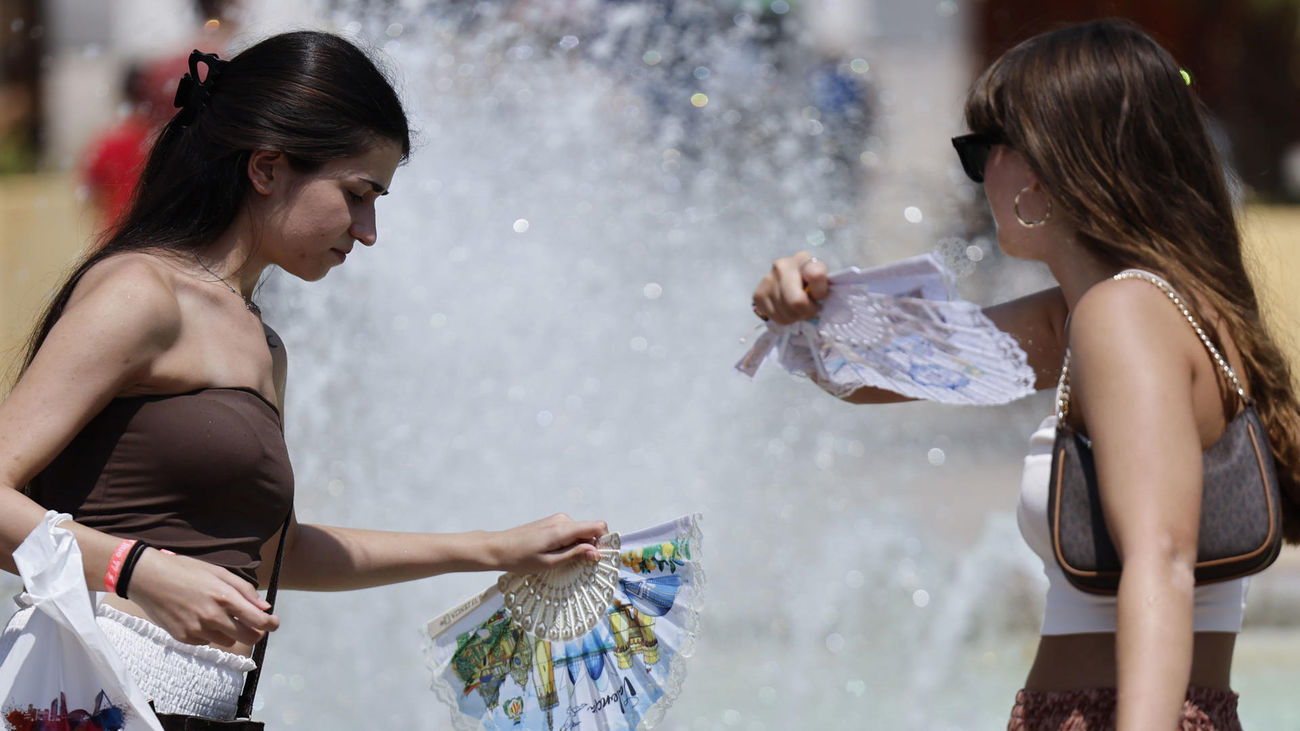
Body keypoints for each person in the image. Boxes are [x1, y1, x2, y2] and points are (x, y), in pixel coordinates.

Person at [0, 31, 606, 721]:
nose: (368, 229)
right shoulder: (142, 293)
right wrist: (135, 569)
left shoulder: (263, 346)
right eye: (357, 193)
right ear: (266, 168)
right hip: (87, 701)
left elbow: (274, 554)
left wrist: (497, 549)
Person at [750, 18, 1300, 730]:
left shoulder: (1121, 316)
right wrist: (801, 309)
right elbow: (882, 373)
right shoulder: (1142, 311)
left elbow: (1161, 558)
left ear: (1044, 167)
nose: (978, 178)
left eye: (982, 151)